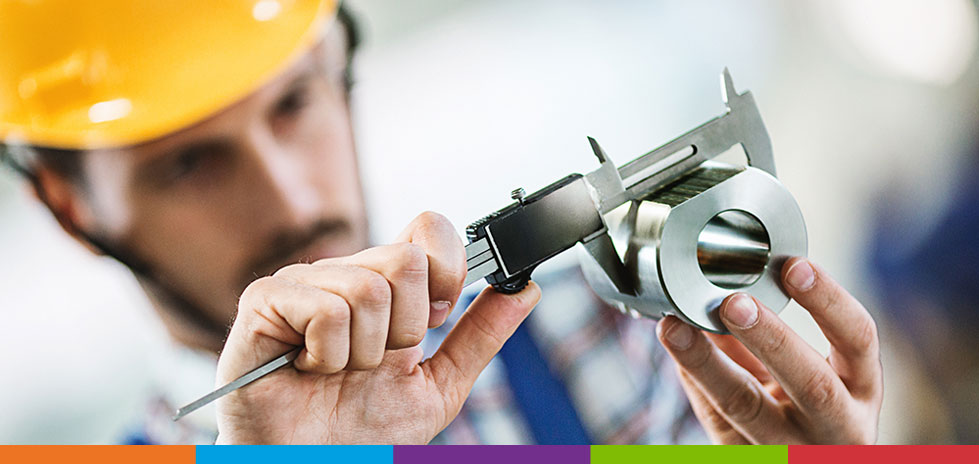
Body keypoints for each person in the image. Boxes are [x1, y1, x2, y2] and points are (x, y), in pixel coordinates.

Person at [0, 0, 882, 445]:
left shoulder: (606, 335)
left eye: (294, 103)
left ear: (343, 65)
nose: (287, 196)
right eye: (190, 163)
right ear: (72, 209)